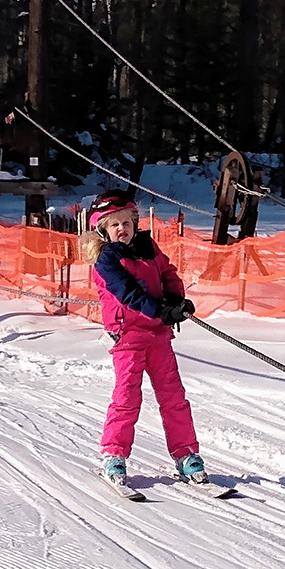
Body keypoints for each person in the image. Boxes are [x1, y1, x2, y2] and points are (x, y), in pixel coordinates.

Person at [79, 189, 207, 485]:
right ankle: (114, 455)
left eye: (126, 222)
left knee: (173, 396)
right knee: (127, 397)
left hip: (159, 335)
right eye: (114, 225)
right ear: (103, 230)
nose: (121, 229)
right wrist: (161, 310)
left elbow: (168, 273)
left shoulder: (148, 246)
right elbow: (127, 293)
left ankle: (186, 454)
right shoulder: (105, 260)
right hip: (128, 336)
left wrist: (177, 299)